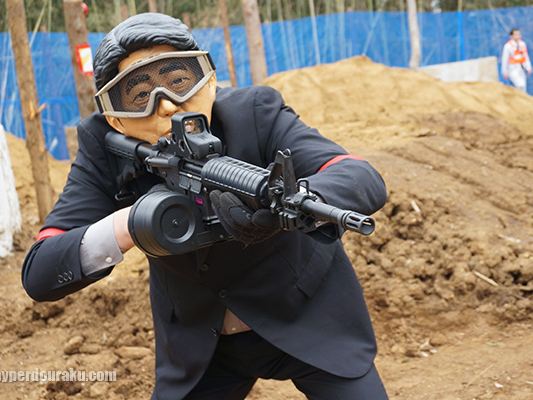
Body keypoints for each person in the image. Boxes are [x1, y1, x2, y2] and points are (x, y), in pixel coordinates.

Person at [21, 12, 388, 400]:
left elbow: (358, 176)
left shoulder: (257, 111)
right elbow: (40, 271)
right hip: (201, 346)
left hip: (308, 317)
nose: (167, 105)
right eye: (139, 95)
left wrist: (291, 206)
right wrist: (131, 224)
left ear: (210, 81)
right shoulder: (103, 149)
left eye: (179, 81)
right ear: (115, 119)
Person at [501, 28, 532, 93]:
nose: (518, 36)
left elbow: (525, 56)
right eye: (516, 34)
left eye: (519, 34)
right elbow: (505, 59)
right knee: (520, 85)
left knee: (524, 87)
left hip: (521, 67)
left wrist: (528, 67)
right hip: (513, 68)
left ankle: (522, 98)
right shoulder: (508, 46)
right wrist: (504, 72)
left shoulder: (522, 44)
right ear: (511, 36)